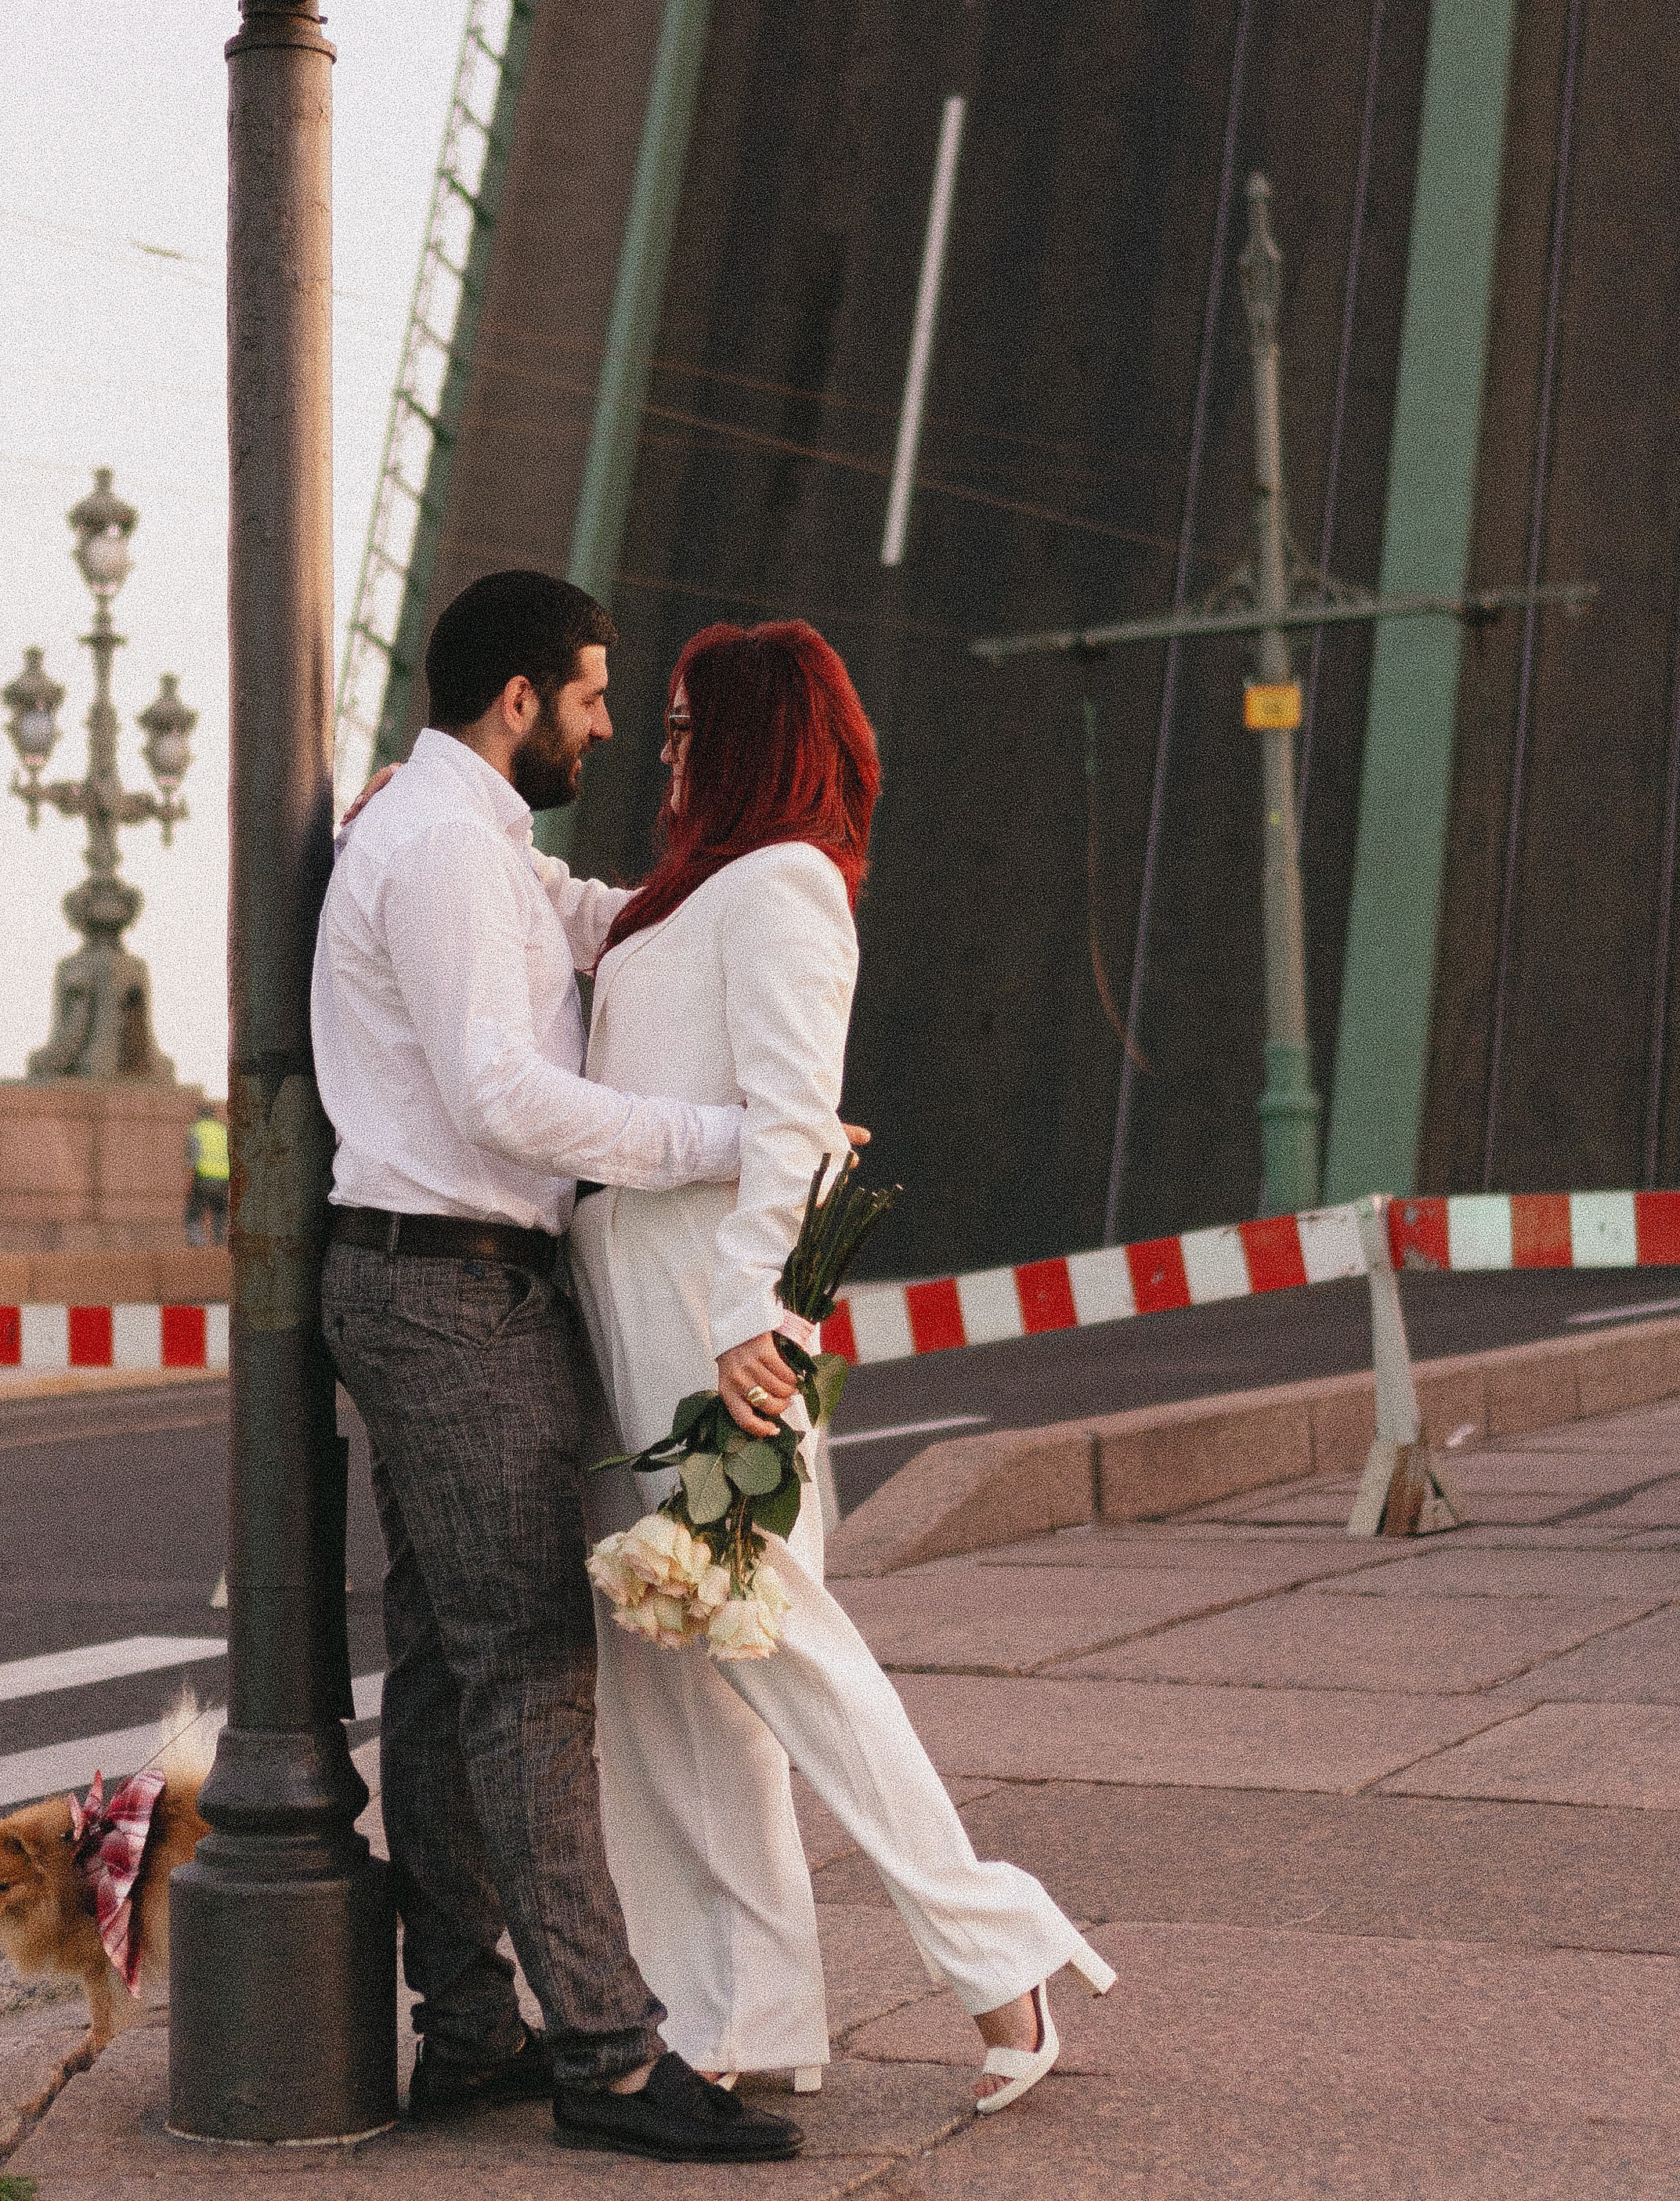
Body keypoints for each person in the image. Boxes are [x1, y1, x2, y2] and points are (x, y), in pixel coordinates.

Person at [569, 620, 1115, 2113]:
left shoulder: (788, 888)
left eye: (687, 731)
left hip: (714, 1312)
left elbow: (796, 1118)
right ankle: (741, 2011)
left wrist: (757, 1316)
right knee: (681, 1666)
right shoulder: (681, 904)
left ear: (752, 737)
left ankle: (999, 1953)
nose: (665, 755)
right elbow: (568, 915)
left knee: (778, 1637)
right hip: (643, 1297)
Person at [311, 569, 802, 2163]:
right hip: (450, 1289)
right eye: (591, 696)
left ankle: (467, 2031)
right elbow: (499, 1098)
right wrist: (724, 1140)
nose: (604, 721)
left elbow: (602, 921)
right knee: (529, 1670)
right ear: (517, 699)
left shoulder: (477, 842)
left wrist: (718, 884)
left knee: (458, 1671)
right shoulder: (447, 845)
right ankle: (605, 2051)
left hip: (437, 1283)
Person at [183, 1106, 228, 1246]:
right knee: (220, 1213)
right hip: (223, 1180)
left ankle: (200, 1250)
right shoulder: (223, 1130)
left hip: (203, 1178)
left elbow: (193, 1159)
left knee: (193, 1215)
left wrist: (188, 1184)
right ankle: (220, 1248)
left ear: (200, 1115)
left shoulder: (197, 1130)